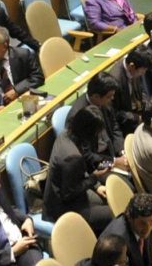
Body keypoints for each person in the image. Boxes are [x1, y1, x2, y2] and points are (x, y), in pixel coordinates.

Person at [44, 100, 115, 233]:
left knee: (108, 199)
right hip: (64, 209)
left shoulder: (66, 134)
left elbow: (78, 175)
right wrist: (94, 178)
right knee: (114, 213)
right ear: (88, 130)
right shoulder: (72, 157)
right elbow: (68, 194)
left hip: (68, 194)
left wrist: (96, 186)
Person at [0, 25, 43, 108]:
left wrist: (16, 90)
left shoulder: (23, 55)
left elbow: (38, 76)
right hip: (1, 107)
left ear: (5, 44)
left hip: (24, 100)